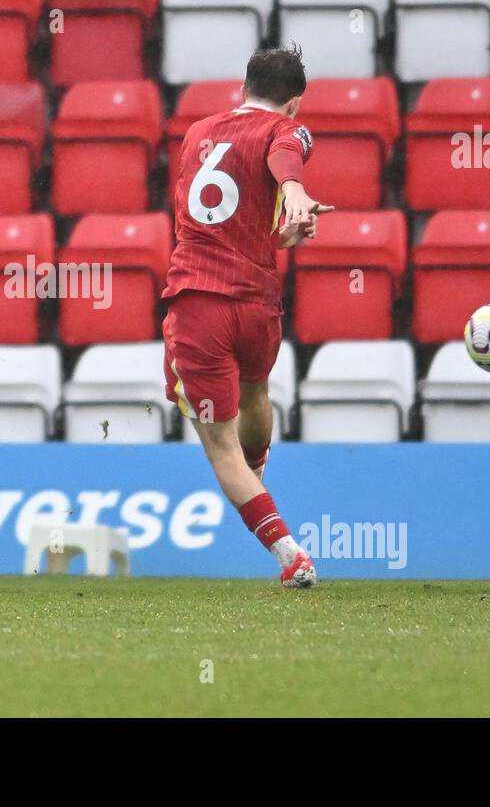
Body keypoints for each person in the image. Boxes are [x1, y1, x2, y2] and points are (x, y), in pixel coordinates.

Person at [162, 46, 333, 589]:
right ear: (295, 102)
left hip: (199, 301)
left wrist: (292, 192)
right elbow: (285, 153)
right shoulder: (289, 128)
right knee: (256, 391)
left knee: (220, 447)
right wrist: (293, 201)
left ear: (244, 87)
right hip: (258, 305)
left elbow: (216, 210)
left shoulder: (197, 132)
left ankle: (291, 556)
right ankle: (255, 474)